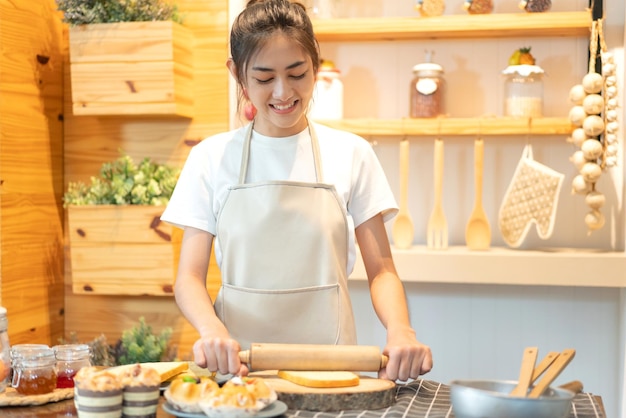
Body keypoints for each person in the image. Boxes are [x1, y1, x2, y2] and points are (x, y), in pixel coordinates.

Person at [161, 0, 432, 382]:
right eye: (264, 77)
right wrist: (212, 331)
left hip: (334, 370)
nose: (283, 92)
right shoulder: (210, 158)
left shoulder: (352, 153)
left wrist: (401, 330)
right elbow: (189, 277)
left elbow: (382, 271)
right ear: (237, 74)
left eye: (297, 73)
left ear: (316, 66)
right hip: (238, 368)